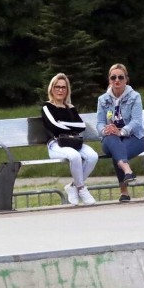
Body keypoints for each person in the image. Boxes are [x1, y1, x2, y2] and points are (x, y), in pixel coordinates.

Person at [41, 73, 98, 205]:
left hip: (74, 141)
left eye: (63, 87)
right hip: (56, 144)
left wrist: (63, 124)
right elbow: (53, 126)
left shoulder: (70, 108)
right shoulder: (47, 107)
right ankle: (81, 188)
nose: (60, 90)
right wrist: (68, 126)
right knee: (75, 156)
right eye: (57, 87)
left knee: (93, 156)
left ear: (67, 90)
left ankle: (73, 186)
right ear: (52, 89)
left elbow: (81, 126)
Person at [96, 63, 144, 203]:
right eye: (113, 77)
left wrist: (121, 131)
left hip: (134, 138)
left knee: (117, 151)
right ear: (109, 79)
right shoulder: (102, 99)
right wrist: (105, 130)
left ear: (126, 79)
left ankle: (124, 192)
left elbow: (136, 121)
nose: (116, 80)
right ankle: (127, 170)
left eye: (120, 77)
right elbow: (99, 122)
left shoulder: (135, 97)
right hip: (110, 138)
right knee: (113, 142)